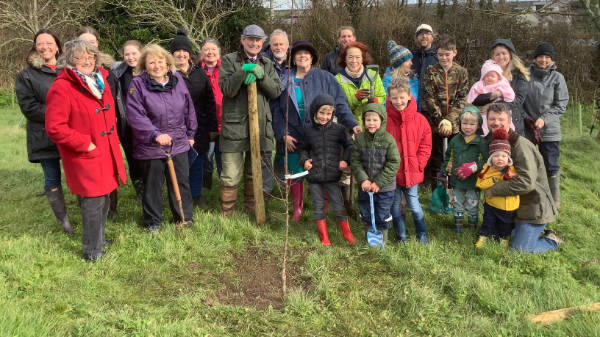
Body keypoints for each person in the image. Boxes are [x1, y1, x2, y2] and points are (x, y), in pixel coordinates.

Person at [45, 39, 127, 260]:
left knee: (105, 199)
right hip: (85, 154)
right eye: (79, 57)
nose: (86, 60)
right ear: (69, 61)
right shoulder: (62, 87)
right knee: (93, 202)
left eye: (90, 56)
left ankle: (98, 240)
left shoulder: (100, 79)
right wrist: (84, 143)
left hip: (106, 151)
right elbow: (55, 127)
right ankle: (92, 250)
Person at [272, 40, 359, 221]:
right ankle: (298, 208)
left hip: (321, 133)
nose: (302, 56)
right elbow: (277, 111)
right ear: (293, 59)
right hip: (294, 134)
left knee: (323, 169)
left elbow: (340, 103)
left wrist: (352, 123)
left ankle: (324, 207)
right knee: (295, 171)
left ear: (312, 58)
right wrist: (282, 134)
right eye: (298, 54)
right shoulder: (284, 80)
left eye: (306, 53)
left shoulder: (325, 77)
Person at [126, 44, 197, 231]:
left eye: (160, 62)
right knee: (152, 184)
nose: (156, 66)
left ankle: (184, 217)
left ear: (167, 63)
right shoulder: (138, 84)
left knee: (181, 182)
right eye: (151, 62)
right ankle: (153, 222)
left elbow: (188, 107)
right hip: (151, 144)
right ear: (145, 65)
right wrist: (155, 134)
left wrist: (191, 134)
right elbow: (135, 115)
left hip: (178, 141)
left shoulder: (178, 79)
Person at [218, 24, 282, 216]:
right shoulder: (229, 60)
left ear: (263, 42)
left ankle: (251, 210)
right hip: (234, 127)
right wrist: (242, 71)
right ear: (243, 40)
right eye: (250, 39)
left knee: (254, 173)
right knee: (230, 174)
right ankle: (227, 214)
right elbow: (226, 89)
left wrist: (262, 78)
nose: (254, 43)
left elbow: (276, 91)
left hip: (260, 127)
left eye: (258, 40)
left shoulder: (267, 63)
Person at [15, 29, 71, 234]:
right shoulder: (26, 75)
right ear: (35, 47)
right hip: (44, 134)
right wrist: (61, 113)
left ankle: (88, 211)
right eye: (40, 43)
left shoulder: (69, 69)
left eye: (49, 43)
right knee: (52, 177)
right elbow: (29, 107)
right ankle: (64, 221)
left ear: (57, 46)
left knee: (78, 173)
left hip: (70, 133)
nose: (45, 47)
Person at [484, 103, 561, 253]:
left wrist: (494, 190)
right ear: (487, 121)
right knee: (497, 237)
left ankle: (552, 240)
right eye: (492, 119)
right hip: (512, 207)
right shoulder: (494, 142)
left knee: (518, 250)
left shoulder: (520, 145)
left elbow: (526, 183)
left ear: (509, 121)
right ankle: (522, 232)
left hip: (533, 207)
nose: (496, 123)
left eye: (501, 119)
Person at [170, 30, 218, 209]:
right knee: (181, 165)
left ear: (190, 53)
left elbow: (210, 101)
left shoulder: (200, 74)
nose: (181, 54)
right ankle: (180, 196)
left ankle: (196, 195)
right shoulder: (168, 75)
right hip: (177, 129)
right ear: (172, 53)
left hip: (200, 128)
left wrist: (212, 128)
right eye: (177, 51)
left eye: (185, 51)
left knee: (198, 162)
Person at [77, 26, 121, 218]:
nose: (88, 47)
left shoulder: (108, 72)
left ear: (97, 44)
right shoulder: (72, 74)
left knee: (110, 169)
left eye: (91, 42)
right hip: (85, 131)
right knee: (87, 172)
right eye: (83, 42)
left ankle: (111, 208)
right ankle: (90, 209)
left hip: (108, 129)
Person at [299, 95, 355, 245]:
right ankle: (324, 237)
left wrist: (345, 160)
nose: (325, 117)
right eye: (321, 113)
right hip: (315, 176)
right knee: (318, 205)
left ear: (332, 114)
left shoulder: (338, 130)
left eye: (328, 114)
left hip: (332, 175)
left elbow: (350, 145)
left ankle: (347, 234)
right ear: (314, 112)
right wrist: (305, 161)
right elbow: (303, 149)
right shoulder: (308, 130)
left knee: (338, 205)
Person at [385, 79, 432, 243]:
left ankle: (422, 234)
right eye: (395, 98)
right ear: (389, 98)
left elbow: (426, 145)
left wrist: (419, 164)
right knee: (395, 206)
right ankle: (401, 236)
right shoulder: (385, 120)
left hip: (412, 172)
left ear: (409, 96)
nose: (398, 102)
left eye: (402, 98)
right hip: (392, 174)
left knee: (414, 204)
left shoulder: (420, 120)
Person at [523, 42, 568, 209]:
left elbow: (561, 104)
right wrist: (526, 118)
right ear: (535, 58)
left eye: (547, 57)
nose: (543, 60)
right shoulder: (525, 75)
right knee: (527, 163)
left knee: (550, 164)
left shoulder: (558, 78)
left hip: (549, 130)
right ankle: (529, 197)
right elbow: (518, 99)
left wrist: (544, 119)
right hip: (527, 128)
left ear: (551, 59)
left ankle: (554, 200)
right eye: (540, 56)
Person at [422, 34, 469, 190]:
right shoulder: (431, 72)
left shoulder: (462, 72)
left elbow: (462, 99)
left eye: (447, 54)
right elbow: (429, 98)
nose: (443, 58)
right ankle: (439, 189)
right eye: (440, 54)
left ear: (454, 53)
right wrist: (440, 120)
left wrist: (449, 120)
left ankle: (454, 188)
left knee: (455, 157)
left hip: (455, 124)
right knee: (437, 159)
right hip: (436, 124)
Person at [351, 103, 400, 244]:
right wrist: (363, 180)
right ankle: (370, 238)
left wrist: (379, 182)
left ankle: (382, 239)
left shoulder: (388, 140)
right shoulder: (359, 139)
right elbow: (355, 161)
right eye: (368, 120)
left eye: (375, 120)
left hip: (385, 188)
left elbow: (394, 162)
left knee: (382, 213)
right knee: (365, 211)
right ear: (363, 121)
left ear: (382, 121)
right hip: (365, 187)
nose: (371, 123)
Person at [440, 106, 488, 233]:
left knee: (473, 205)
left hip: (473, 181)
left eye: (472, 124)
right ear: (460, 123)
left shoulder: (481, 142)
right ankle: (458, 227)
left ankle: (472, 227)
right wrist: (443, 171)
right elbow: (448, 156)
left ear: (478, 125)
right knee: (457, 203)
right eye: (465, 123)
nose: (468, 127)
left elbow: (487, 160)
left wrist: (474, 167)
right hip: (457, 179)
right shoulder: (455, 140)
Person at [471, 39, 531, 136]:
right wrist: (492, 95)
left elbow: (518, 99)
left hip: (513, 124)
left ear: (510, 55)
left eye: (504, 53)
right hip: (489, 124)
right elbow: (475, 98)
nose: (501, 57)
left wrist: (493, 107)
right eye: (497, 54)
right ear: (493, 56)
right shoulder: (486, 73)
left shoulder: (519, 74)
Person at [475, 128, 519, 248]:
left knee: (506, 225)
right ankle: (483, 237)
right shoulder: (488, 169)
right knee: (488, 222)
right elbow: (480, 184)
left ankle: (504, 239)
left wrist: (510, 177)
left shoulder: (513, 170)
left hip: (508, 206)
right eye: (496, 156)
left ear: (508, 158)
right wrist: (494, 179)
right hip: (491, 204)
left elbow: (517, 185)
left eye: (504, 156)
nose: (500, 159)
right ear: (491, 158)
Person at [112, 40, 144, 198]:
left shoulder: (150, 69)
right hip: (128, 125)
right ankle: (140, 190)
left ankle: (153, 187)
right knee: (133, 159)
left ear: (141, 52)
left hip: (148, 125)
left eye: (134, 53)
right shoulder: (118, 73)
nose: (131, 57)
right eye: (127, 54)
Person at [335, 41, 385, 124]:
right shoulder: (337, 80)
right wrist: (355, 98)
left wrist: (375, 100)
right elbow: (338, 108)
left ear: (363, 59)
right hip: (348, 128)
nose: (354, 61)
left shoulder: (373, 75)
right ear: (345, 59)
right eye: (350, 57)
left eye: (358, 57)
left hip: (371, 126)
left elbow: (382, 97)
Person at [467, 60, 516, 136]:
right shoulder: (480, 85)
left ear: (498, 77)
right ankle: (486, 135)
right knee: (484, 123)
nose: (489, 78)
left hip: (501, 110)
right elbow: (473, 96)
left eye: (492, 76)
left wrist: (500, 93)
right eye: (487, 76)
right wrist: (470, 101)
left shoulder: (502, 84)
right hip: (483, 112)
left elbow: (510, 96)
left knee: (504, 121)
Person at [200, 38, 224, 189]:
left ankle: (225, 186)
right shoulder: (196, 71)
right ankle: (206, 185)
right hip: (206, 124)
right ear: (202, 53)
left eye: (213, 49)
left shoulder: (227, 70)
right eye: (207, 49)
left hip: (225, 123)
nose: (210, 52)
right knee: (207, 156)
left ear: (219, 53)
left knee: (223, 157)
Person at [411, 24, 438, 112]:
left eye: (427, 33)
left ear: (432, 37)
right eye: (421, 33)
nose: (424, 36)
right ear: (416, 37)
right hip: (412, 105)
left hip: (432, 108)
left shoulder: (439, 57)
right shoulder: (410, 57)